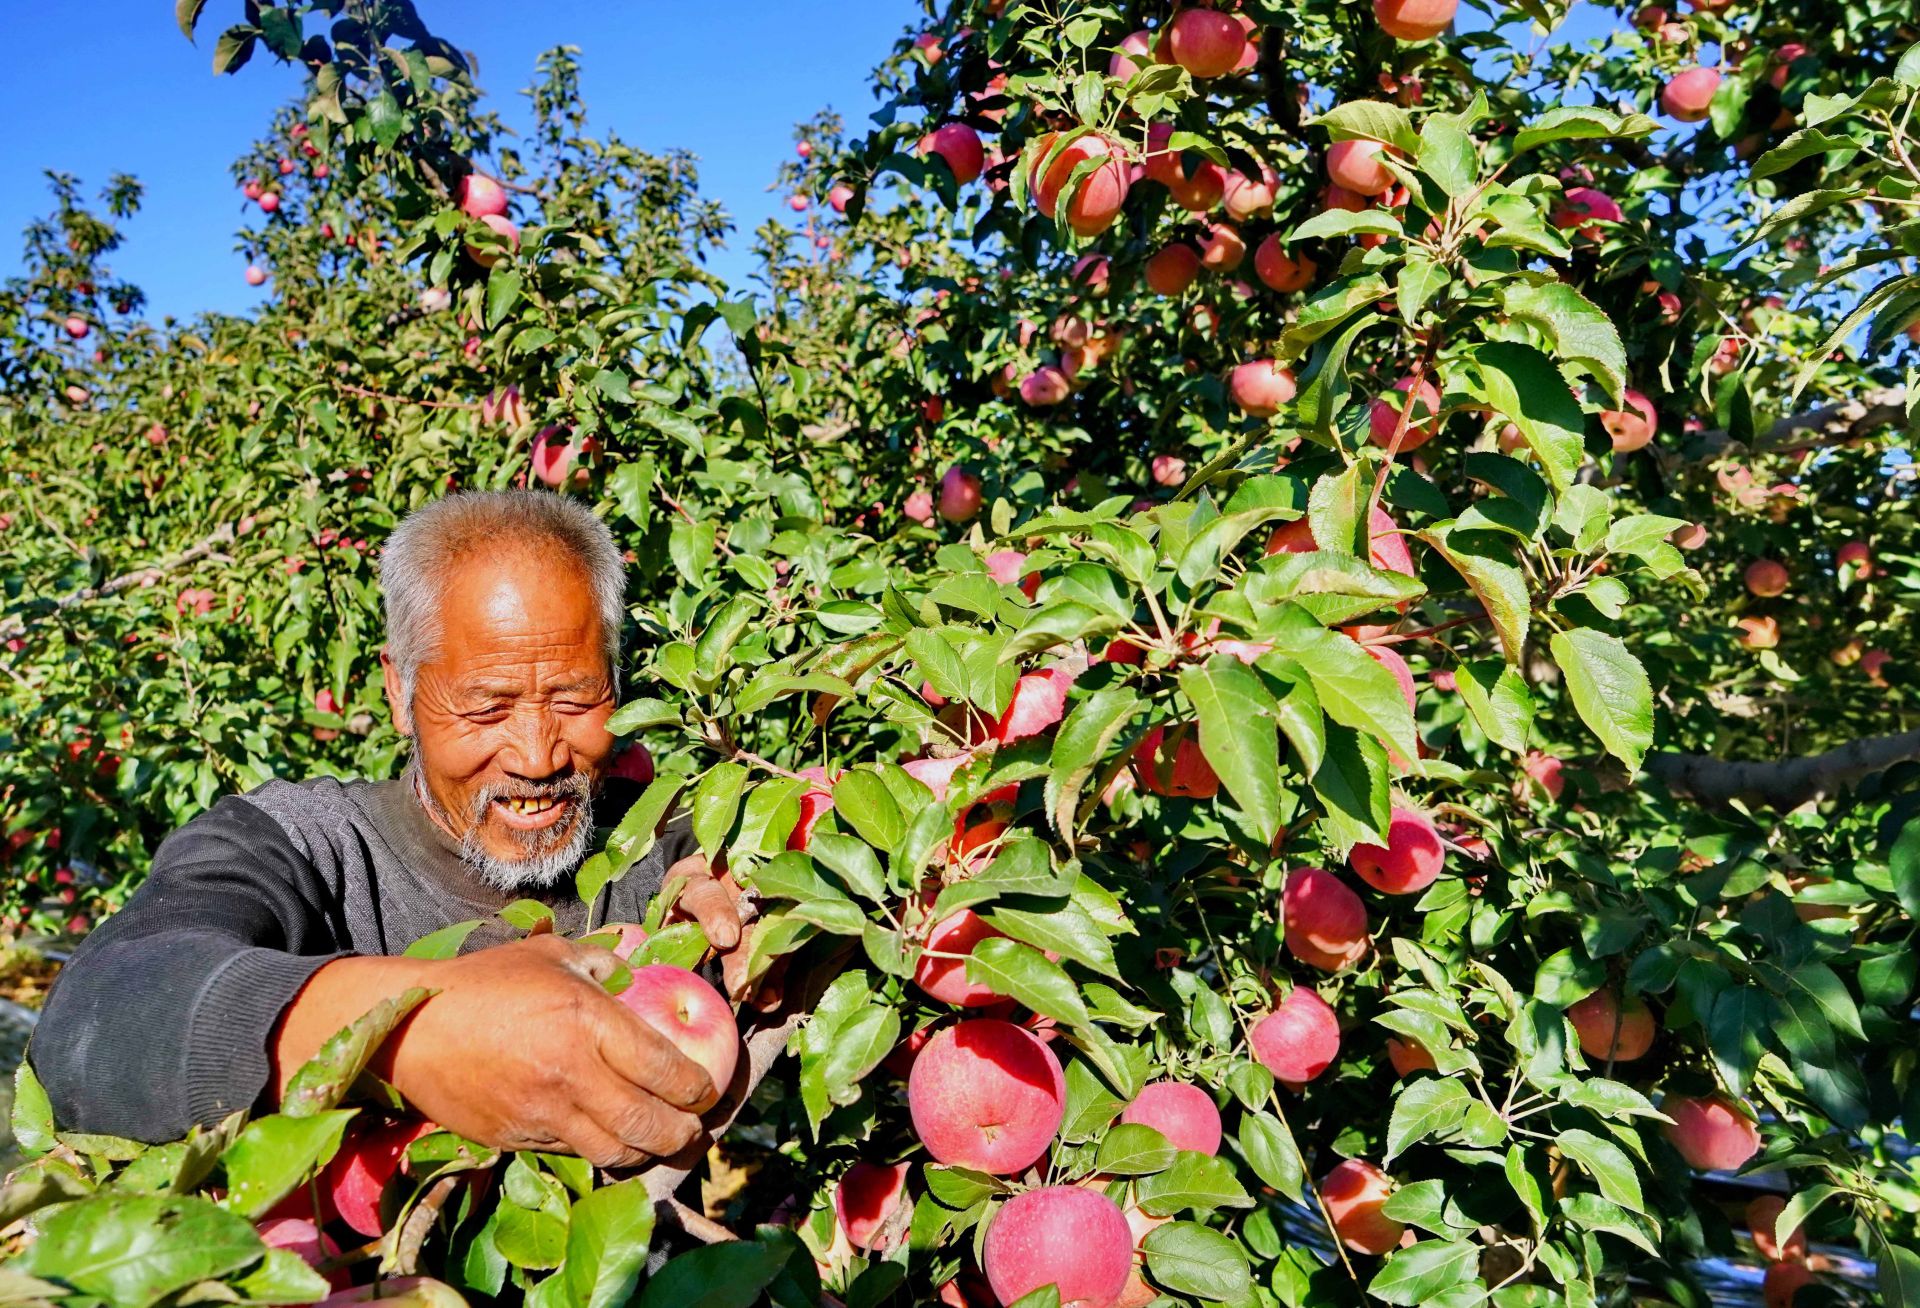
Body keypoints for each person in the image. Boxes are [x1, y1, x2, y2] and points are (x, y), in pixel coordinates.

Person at [34, 490, 748, 1167]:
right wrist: (409, 1030)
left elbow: (724, 866)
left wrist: (733, 879)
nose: (537, 755)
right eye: (486, 706)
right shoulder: (302, 847)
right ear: (401, 694)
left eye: (573, 697)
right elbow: (100, 1015)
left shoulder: (657, 837)